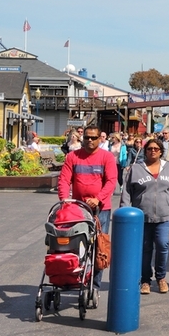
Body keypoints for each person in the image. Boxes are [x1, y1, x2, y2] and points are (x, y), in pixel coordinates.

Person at [121, 138, 169, 295]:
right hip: (141, 217)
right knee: (145, 249)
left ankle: (161, 277)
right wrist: (124, 213)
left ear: (161, 151)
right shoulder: (136, 169)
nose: (153, 151)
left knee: (163, 246)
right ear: (145, 151)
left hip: (164, 216)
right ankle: (145, 280)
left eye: (156, 148)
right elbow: (127, 192)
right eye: (150, 149)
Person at [57, 125, 117, 292]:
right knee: (74, 245)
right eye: (87, 137)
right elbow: (63, 180)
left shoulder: (107, 157)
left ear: (100, 139)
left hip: (101, 209)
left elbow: (111, 182)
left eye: (93, 138)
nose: (89, 140)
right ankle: (73, 279)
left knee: (99, 248)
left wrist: (98, 199)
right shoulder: (72, 157)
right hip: (77, 209)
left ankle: (94, 286)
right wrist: (65, 201)